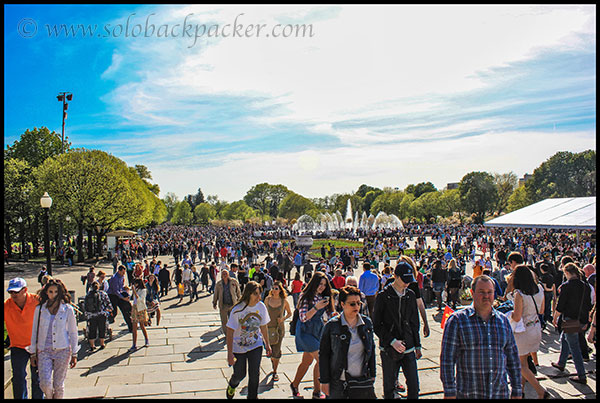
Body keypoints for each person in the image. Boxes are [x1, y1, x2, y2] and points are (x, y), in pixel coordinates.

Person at [440, 275, 522, 399]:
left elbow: (512, 358)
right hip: (469, 393)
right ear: (472, 293)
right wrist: (449, 391)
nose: (486, 296)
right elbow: (447, 360)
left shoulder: (503, 321)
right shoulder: (457, 320)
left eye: (490, 292)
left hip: (498, 393)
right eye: (481, 292)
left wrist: (517, 389)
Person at [373, 262, 422, 399]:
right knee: (389, 387)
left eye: (409, 280)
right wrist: (392, 341)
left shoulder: (410, 295)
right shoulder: (383, 296)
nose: (407, 284)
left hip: (408, 346)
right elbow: (376, 324)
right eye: (404, 280)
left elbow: (414, 322)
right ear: (396, 276)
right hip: (389, 348)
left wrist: (417, 345)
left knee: (414, 386)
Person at [319, 285, 377, 399]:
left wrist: (373, 374)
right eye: (352, 304)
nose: (356, 306)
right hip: (339, 382)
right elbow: (324, 355)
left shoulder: (366, 323)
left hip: (362, 381)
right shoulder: (332, 326)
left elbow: (372, 349)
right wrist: (324, 381)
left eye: (358, 303)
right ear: (342, 304)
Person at [29, 278, 79, 399]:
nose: (53, 295)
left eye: (56, 292)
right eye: (50, 292)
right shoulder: (40, 309)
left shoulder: (67, 309)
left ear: (60, 292)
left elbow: (73, 332)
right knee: (45, 383)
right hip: (44, 349)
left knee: (58, 385)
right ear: (46, 292)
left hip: (62, 349)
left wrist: (75, 353)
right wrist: (33, 353)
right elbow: (34, 330)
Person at [291, 271, 337, 399]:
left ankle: (294, 385)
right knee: (322, 359)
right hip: (306, 332)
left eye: (324, 284)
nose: (322, 287)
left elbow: (329, 314)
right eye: (319, 284)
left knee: (307, 361)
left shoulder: (324, 297)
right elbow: (303, 317)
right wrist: (316, 307)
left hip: (317, 330)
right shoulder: (306, 296)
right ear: (314, 284)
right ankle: (317, 391)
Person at [225, 281, 272, 399]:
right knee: (240, 374)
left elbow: (263, 326)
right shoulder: (238, 309)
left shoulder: (261, 307)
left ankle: (252, 396)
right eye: (255, 294)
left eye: (259, 294)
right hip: (238, 347)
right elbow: (230, 332)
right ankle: (232, 384)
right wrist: (230, 353)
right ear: (248, 294)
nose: (259, 297)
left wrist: (267, 344)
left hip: (255, 345)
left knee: (254, 374)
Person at [509, 265, 549, 398]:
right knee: (524, 363)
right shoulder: (540, 289)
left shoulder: (519, 294)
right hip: (536, 328)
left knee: (520, 364)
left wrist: (509, 315)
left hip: (523, 331)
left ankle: (540, 391)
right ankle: (520, 391)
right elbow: (542, 311)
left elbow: (517, 316)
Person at [551, 262, 593, 384]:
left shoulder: (566, 286)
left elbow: (560, 305)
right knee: (565, 339)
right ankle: (561, 363)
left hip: (570, 319)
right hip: (580, 319)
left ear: (567, 273)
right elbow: (588, 304)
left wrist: (555, 317)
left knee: (574, 348)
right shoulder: (585, 286)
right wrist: (585, 320)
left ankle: (581, 375)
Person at [4, 277, 44, 399]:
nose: (13, 295)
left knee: (37, 378)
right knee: (18, 377)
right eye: (11, 292)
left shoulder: (37, 301)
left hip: (36, 346)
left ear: (25, 290)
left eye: (16, 291)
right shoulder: (6, 306)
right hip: (17, 346)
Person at [264, 281, 292, 381]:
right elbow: (263, 311)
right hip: (268, 327)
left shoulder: (284, 301)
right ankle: (273, 363)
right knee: (270, 350)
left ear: (280, 290)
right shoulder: (267, 299)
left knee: (276, 350)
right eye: (273, 288)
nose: (274, 290)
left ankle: (275, 371)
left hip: (278, 328)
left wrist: (283, 319)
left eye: (276, 288)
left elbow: (289, 313)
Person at [84, 280, 112, 351]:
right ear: (99, 286)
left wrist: (87, 313)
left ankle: (92, 345)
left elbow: (85, 305)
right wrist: (109, 309)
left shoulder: (88, 295)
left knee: (92, 330)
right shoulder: (103, 293)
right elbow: (108, 303)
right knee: (102, 328)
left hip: (91, 315)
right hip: (101, 314)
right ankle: (102, 344)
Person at [213, 269, 242, 336]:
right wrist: (214, 303)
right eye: (223, 274)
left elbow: (238, 292)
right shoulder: (219, 284)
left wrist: (240, 300)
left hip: (233, 304)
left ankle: (234, 333)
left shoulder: (234, 282)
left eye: (226, 274)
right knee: (224, 321)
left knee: (233, 320)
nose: (224, 275)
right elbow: (216, 294)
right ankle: (227, 334)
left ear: (228, 274)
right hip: (223, 305)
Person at [107, 265, 133, 332]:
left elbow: (121, 288)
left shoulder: (122, 277)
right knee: (114, 312)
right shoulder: (114, 278)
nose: (123, 274)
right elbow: (115, 291)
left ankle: (131, 327)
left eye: (124, 272)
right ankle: (107, 323)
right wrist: (123, 298)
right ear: (119, 271)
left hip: (119, 294)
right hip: (112, 295)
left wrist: (126, 295)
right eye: (122, 272)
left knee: (125, 310)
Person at [129, 278, 149, 351]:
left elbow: (140, 299)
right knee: (134, 326)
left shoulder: (143, 290)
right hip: (135, 308)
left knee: (142, 325)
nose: (134, 285)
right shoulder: (137, 290)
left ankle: (146, 339)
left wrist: (134, 292)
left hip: (140, 308)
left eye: (135, 283)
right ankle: (134, 344)